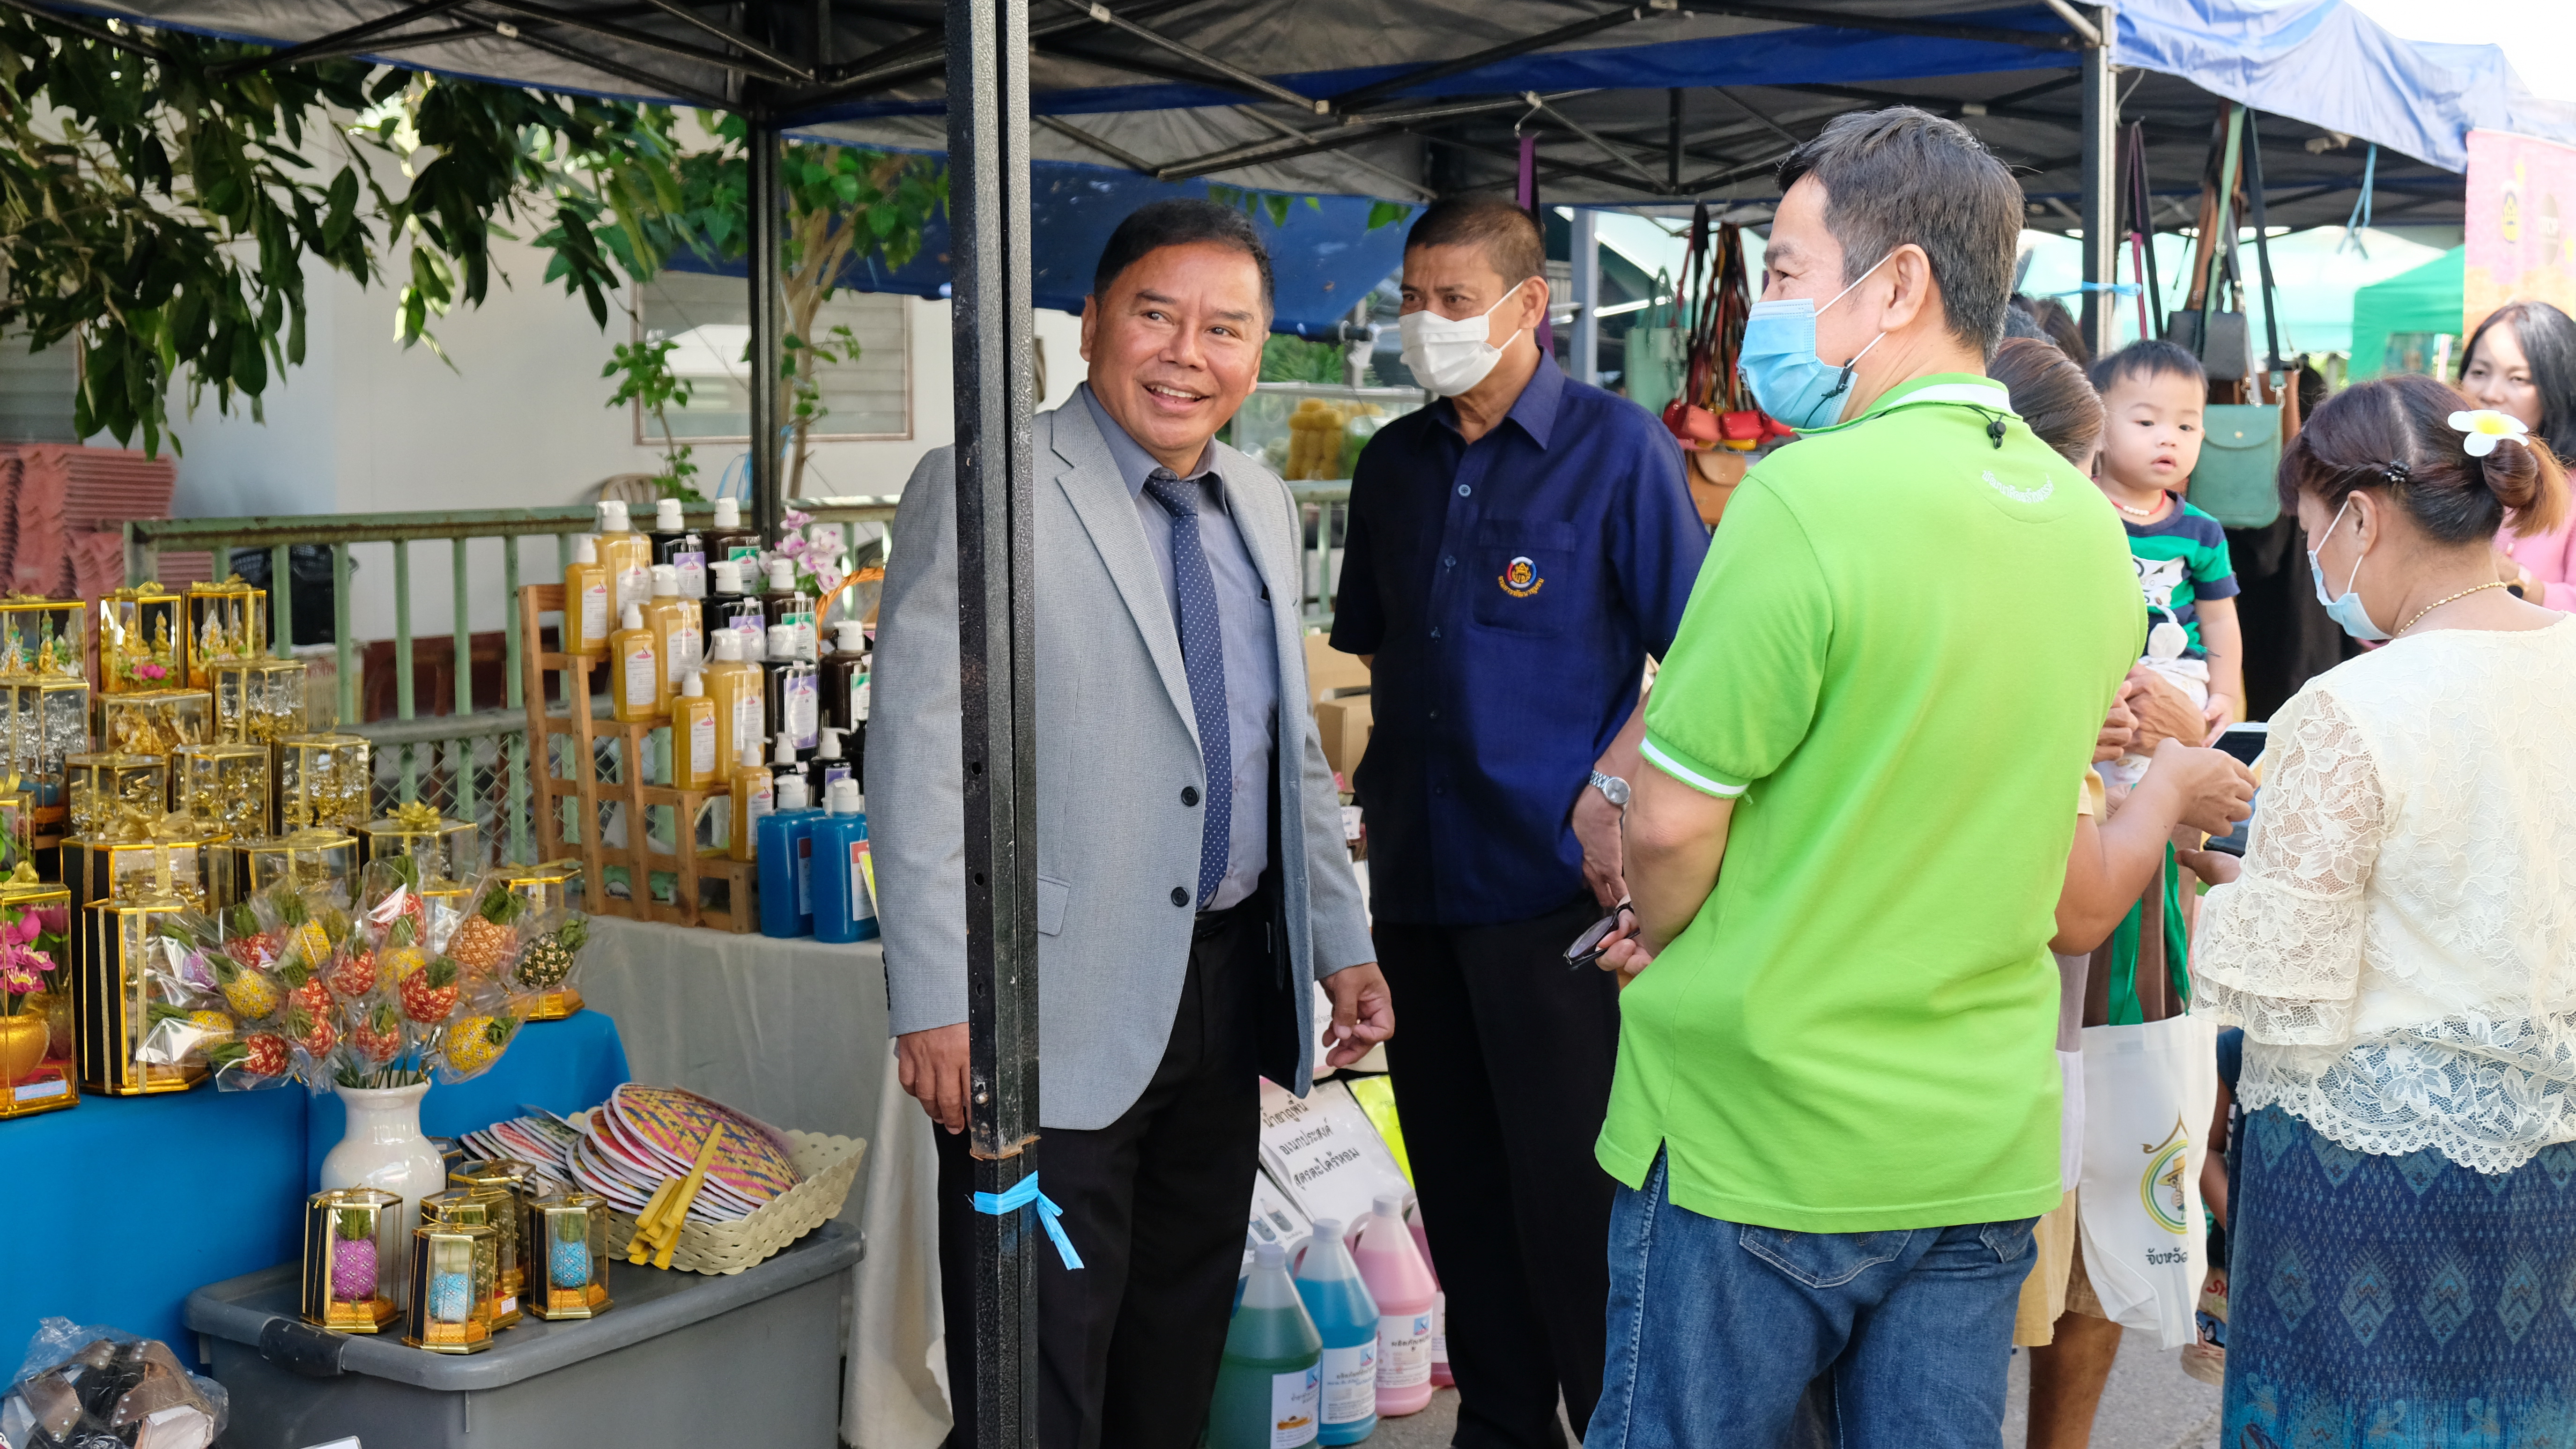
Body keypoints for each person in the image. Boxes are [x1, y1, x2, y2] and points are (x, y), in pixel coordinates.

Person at [1581, 108, 2144, 1449]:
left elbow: (1666, 814)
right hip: (1974, 1140)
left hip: (1755, 1131)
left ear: (1894, 284)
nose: (1769, 305)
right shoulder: (2083, 523)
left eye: (1783, 270)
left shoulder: (1802, 496)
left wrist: (1662, 931)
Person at [871, 199, 1391, 1449]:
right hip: (1043, 1005)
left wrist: (1337, 939)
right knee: (1037, 1366)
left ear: (1260, 352)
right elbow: (918, 748)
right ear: (1095, 321)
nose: (1185, 352)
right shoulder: (987, 485)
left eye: (1226, 328)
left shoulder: (1260, 498)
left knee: (1177, 1335)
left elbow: (1283, 757)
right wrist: (935, 993)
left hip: (1221, 998)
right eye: (1156, 314)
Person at [1328, 193, 1707, 1448]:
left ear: (1527, 304)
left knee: (1573, 1208)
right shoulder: (1390, 466)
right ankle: (1498, 1427)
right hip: (1420, 894)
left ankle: (1616, 1426)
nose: (1426, 325)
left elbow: (1701, 664)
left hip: (1554, 900)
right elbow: (1370, 663)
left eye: (1453, 300)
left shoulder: (1619, 452)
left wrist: (1611, 779)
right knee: (1461, 1198)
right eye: (1412, 300)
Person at [2191, 375, 2576, 1447]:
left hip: (2359, 1173)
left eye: (2312, 532)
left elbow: (2284, 984)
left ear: (2357, 517)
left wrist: (2196, 876)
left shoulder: (2352, 706)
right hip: (2545, 1158)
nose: (2314, 565)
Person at [1989, 337, 2258, 1449]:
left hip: (2115, 911)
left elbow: (2212, 722)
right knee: (2013, 1211)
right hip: (2033, 901)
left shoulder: (2172, 547)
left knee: (2100, 1188)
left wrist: (2153, 727)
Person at [2087, 340, 2243, 755]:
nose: (2168, 439)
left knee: (2173, 788)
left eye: (2185, 427)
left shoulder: (2203, 531)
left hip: (2179, 679)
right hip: (2098, 678)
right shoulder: (2078, 511)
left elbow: (2219, 621)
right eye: (2146, 423)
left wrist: (2225, 695)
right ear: (2097, 427)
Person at [2458, 298, 2576, 607]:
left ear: (2560, 390)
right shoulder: (2439, 469)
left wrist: (2518, 579)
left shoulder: (2571, 491)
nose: (2490, 394)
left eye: (2518, 379)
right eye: (2480, 372)